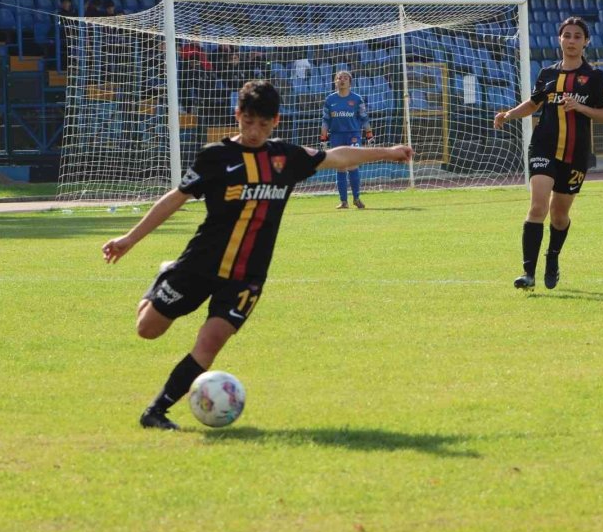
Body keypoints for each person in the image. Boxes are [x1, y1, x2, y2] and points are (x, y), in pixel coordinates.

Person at [102, 80, 413, 430]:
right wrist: (130, 239)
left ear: (275, 121)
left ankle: (156, 412)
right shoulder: (215, 157)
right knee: (148, 330)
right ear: (237, 115)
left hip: (247, 275)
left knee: (212, 340)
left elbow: (338, 156)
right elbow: (176, 198)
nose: (254, 131)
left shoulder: (286, 157)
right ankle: (164, 274)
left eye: (263, 125)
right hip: (200, 264)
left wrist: (388, 151)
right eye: (248, 122)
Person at [493, 16, 603, 291]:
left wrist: (581, 108)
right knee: (538, 206)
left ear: (585, 42)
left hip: (575, 153)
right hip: (543, 146)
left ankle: (553, 259)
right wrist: (509, 114)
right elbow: (534, 103)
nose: (571, 41)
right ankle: (528, 274)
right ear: (559, 39)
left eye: (577, 37)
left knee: (559, 216)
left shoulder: (595, 78)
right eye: (567, 35)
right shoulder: (547, 74)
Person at [320, 70, 375, 209]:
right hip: (336, 135)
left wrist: (369, 134)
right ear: (335, 82)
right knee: (340, 167)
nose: (342, 80)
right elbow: (325, 120)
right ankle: (344, 201)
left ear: (350, 82)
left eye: (345, 78)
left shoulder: (357, 99)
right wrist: (323, 137)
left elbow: (364, 117)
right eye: (339, 78)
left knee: (352, 165)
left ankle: (356, 198)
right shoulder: (330, 100)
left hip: (353, 135)